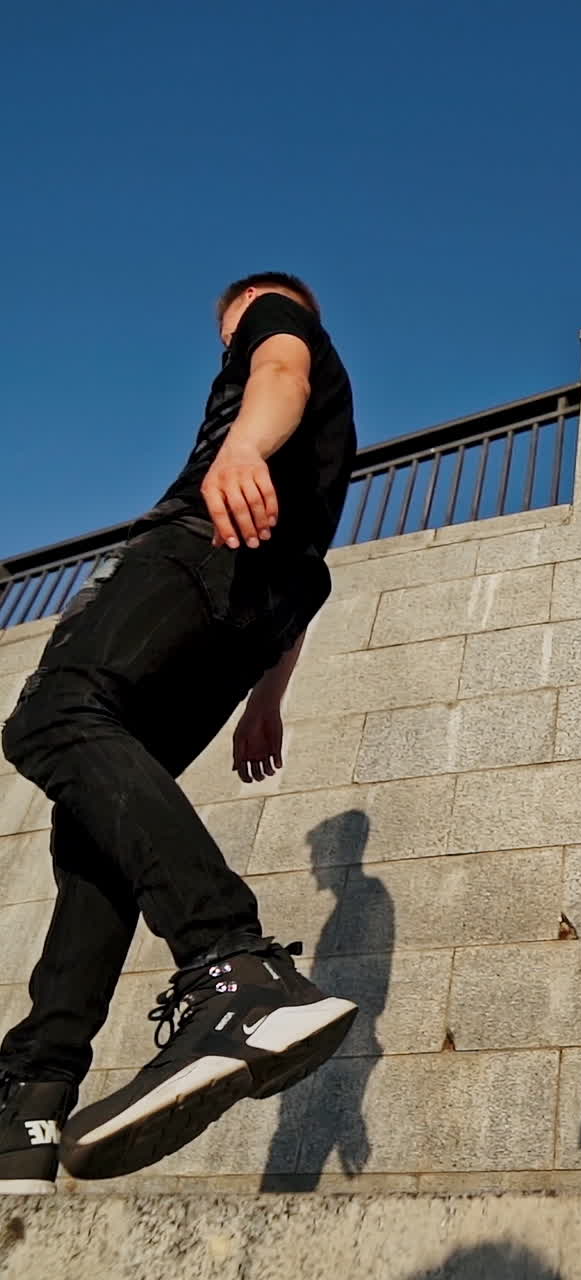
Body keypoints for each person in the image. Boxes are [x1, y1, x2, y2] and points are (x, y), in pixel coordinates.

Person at [0, 272, 359, 1192]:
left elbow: (276, 364)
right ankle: (35, 1093)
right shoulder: (331, 441)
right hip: (257, 614)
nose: (228, 345)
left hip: (199, 552)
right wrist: (268, 697)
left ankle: (233, 965)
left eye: (225, 330)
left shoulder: (276, 330)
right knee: (99, 830)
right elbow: (304, 577)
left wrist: (237, 447)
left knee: (52, 716)